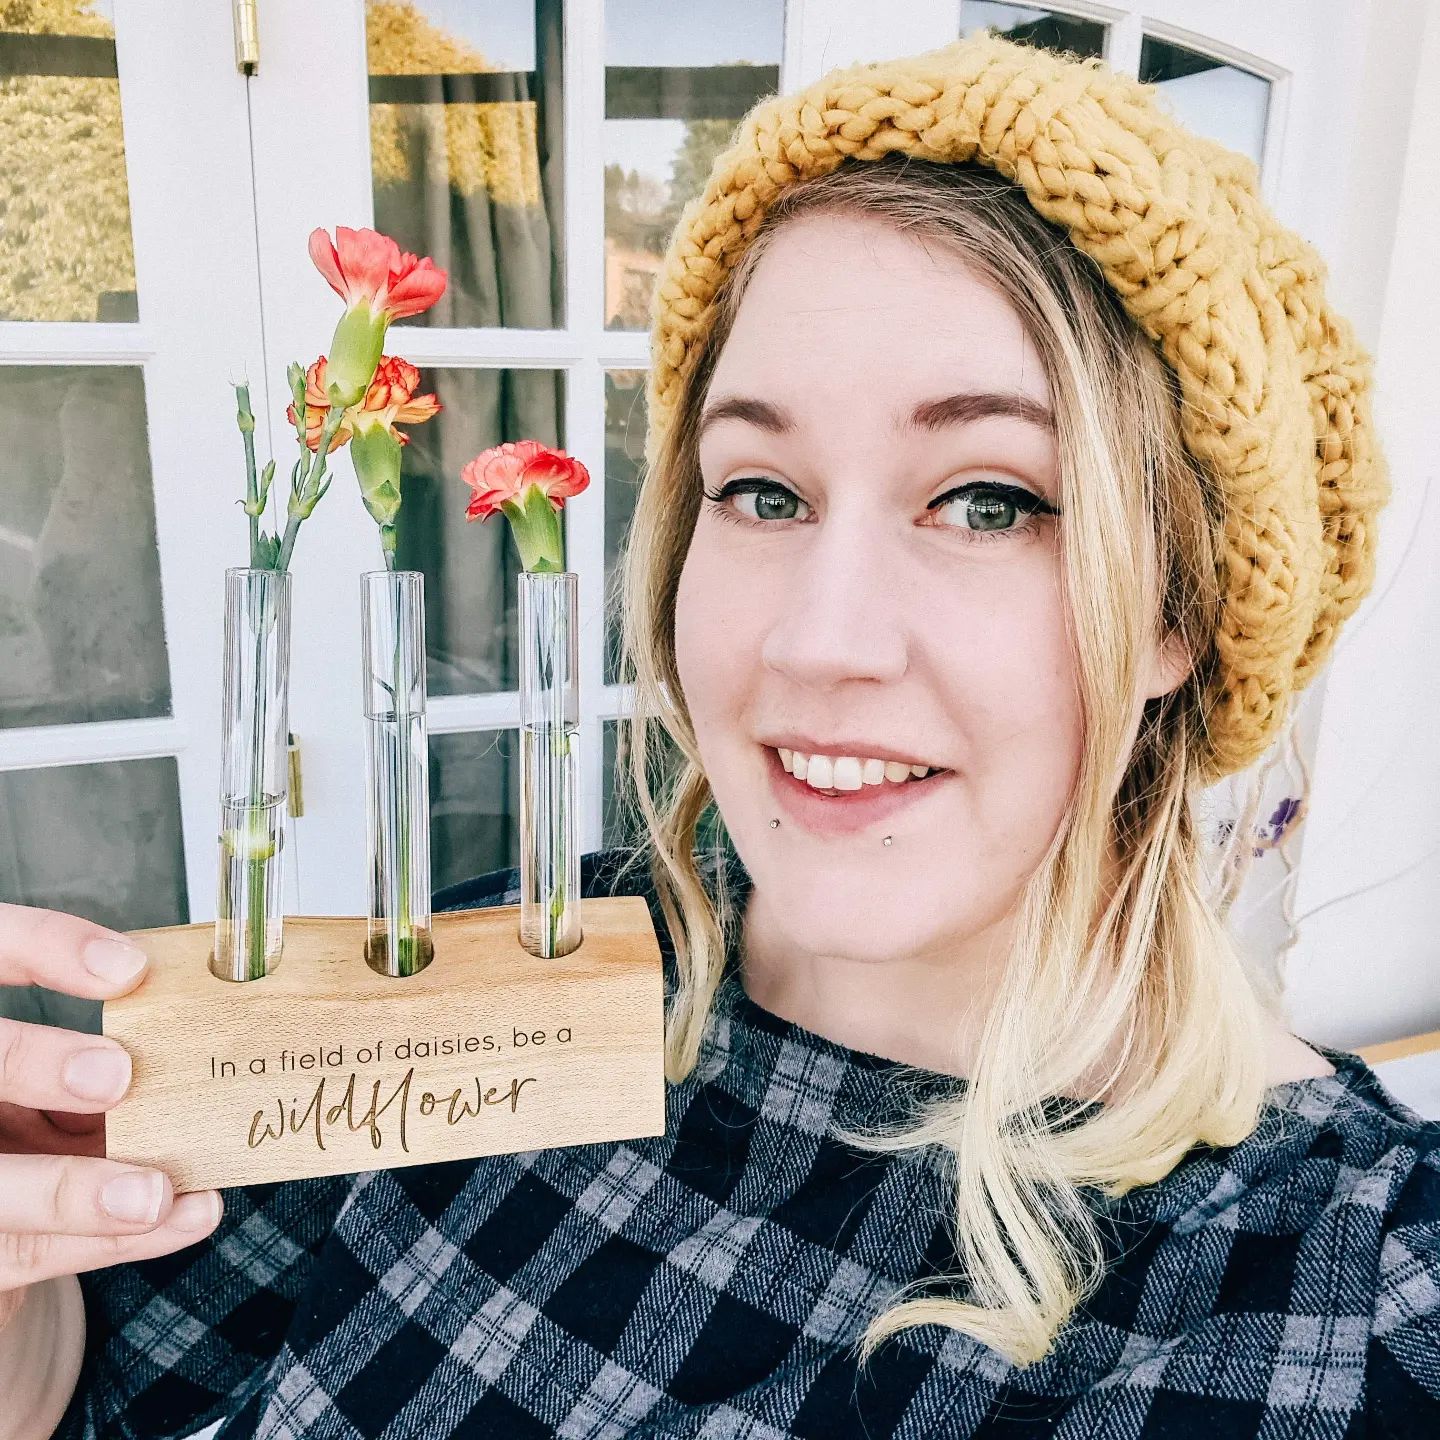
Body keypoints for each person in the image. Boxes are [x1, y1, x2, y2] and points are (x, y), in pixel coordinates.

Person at [3, 32, 1437, 1439]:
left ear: (1182, 613)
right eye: (761, 490)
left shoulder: (1362, 1307)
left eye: (991, 499)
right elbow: (137, 1392)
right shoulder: (494, 970)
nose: (817, 640)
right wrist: (24, 1310)